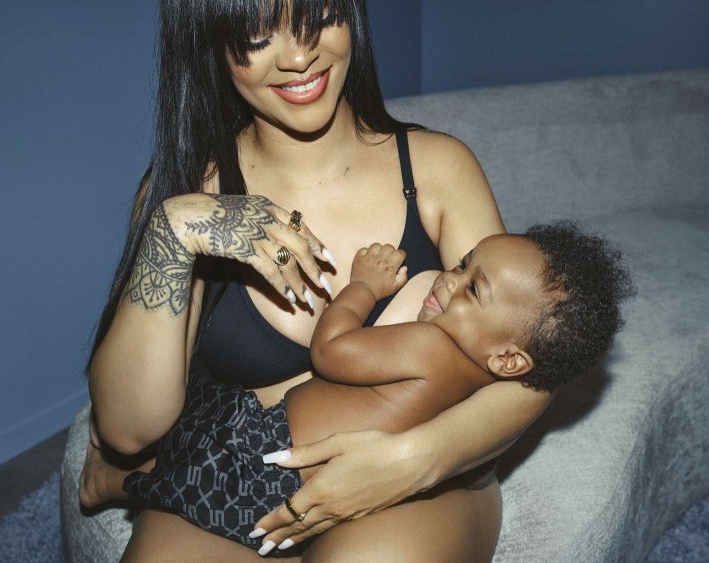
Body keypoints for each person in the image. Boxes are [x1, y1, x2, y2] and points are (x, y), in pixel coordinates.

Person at [82, 1, 558, 560]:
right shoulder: (189, 193)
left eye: (319, 17)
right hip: (245, 473)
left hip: (423, 480)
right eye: (257, 36)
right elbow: (126, 430)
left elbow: (533, 365)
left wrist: (410, 461)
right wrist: (173, 230)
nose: (299, 57)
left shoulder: (438, 167)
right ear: (210, 45)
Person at [114, 223, 634, 557]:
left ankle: (114, 481)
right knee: (196, 490)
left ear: (509, 359)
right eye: (462, 263)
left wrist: (362, 287)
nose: (448, 280)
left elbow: (332, 351)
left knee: (194, 432)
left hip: (265, 452)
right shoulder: (481, 380)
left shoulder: (430, 346)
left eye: (473, 289)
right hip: (308, 490)